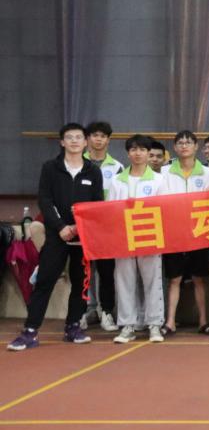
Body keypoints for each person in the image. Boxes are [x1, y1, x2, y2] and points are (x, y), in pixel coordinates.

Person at [8, 123, 103, 351]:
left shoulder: (93, 170)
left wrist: (79, 226)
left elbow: (97, 203)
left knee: (80, 284)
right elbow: (45, 200)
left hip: (82, 237)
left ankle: (73, 327)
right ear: (62, 142)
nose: (74, 141)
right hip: (56, 235)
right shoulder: (50, 168)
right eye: (69, 137)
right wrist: (61, 227)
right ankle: (30, 331)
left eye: (78, 137)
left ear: (85, 142)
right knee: (44, 282)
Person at [107, 135, 165, 344]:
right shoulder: (117, 180)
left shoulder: (159, 180)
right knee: (124, 282)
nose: (137, 153)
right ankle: (127, 325)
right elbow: (110, 210)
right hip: (123, 238)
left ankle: (154, 325)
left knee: (153, 281)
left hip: (150, 236)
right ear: (128, 153)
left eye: (142, 149)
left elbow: (165, 209)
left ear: (148, 153)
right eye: (133, 149)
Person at [161, 130, 209, 335]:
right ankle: (170, 322)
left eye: (188, 142)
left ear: (196, 146)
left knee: (199, 278)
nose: (184, 146)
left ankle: (203, 321)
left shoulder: (208, 173)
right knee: (174, 279)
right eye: (180, 143)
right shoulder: (164, 173)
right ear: (175, 147)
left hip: (199, 233)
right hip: (173, 233)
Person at [84, 120, 123, 332]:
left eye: (103, 136)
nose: (98, 139)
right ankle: (85, 310)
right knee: (83, 271)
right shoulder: (76, 163)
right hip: (82, 225)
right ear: (88, 138)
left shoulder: (117, 167)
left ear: (108, 140)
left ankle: (106, 311)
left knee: (106, 271)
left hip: (107, 227)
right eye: (95, 135)